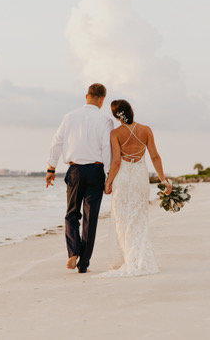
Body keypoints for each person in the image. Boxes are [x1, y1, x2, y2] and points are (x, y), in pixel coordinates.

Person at [97, 99, 171, 277]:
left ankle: (128, 259)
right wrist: (163, 180)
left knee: (122, 219)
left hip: (122, 178)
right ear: (131, 111)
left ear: (116, 116)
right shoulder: (145, 130)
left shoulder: (115, 133)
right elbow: (155, 156)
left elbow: (115, 162)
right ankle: (138, 258)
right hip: (139, 177)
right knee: (139, 218)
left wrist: (108, 183)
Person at [46, 83, 114, 273]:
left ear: (86, 96)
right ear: (102, 100)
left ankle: (73, 252)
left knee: (72, 214)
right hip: (95, 171)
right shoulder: (106, 121)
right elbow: (106, 150)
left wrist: (51, 168)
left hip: (75, 171)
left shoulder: (70, 117)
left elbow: (57, 142)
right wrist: (109, 177)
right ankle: (83, 264)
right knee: (90, 220)